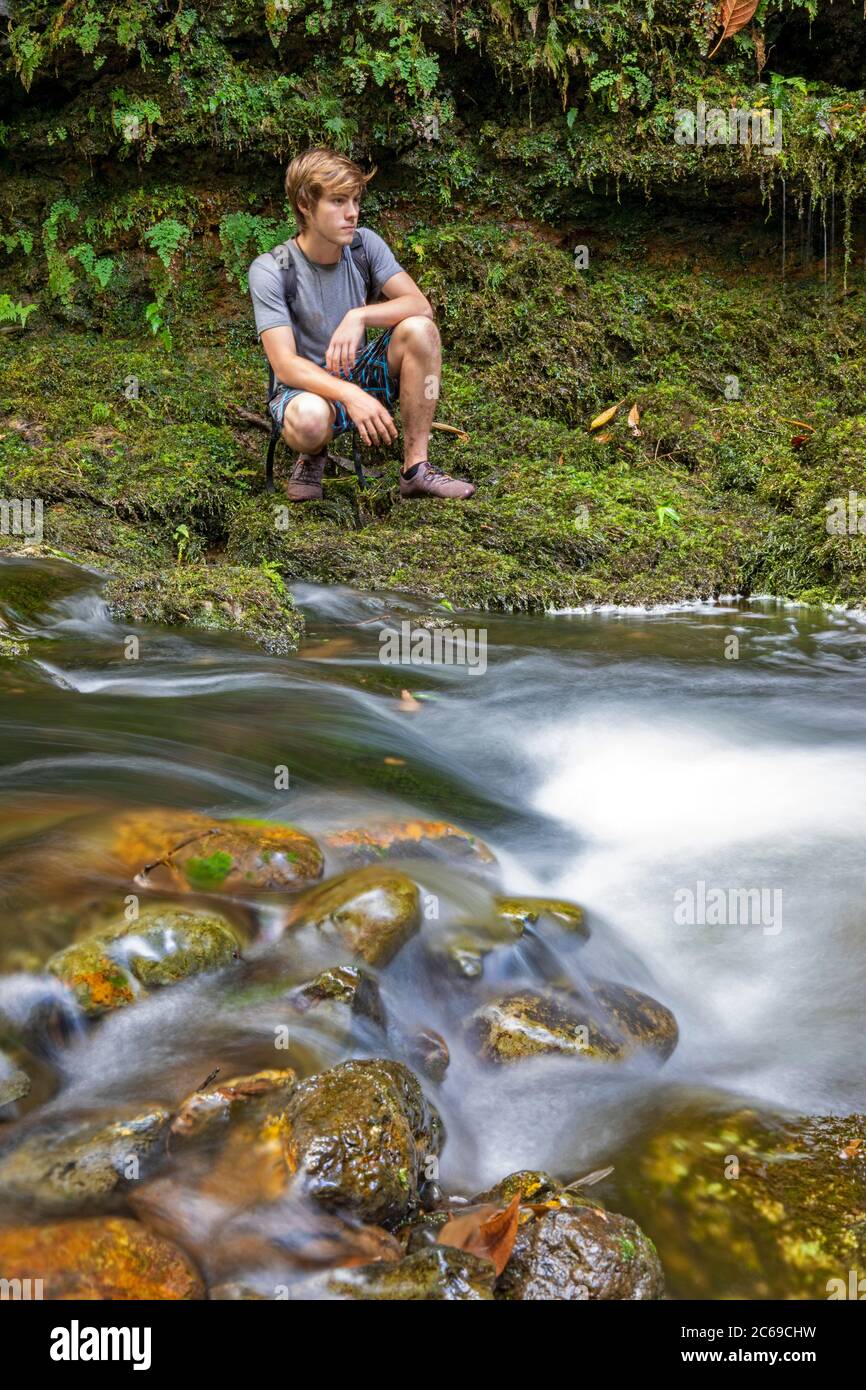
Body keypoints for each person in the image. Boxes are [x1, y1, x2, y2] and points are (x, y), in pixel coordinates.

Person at [247, 147, 476, 502]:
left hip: (357, 367)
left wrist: (360, 315)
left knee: (420, 330)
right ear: (306, 205)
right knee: (309, 418)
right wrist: (349, 395)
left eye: (354, 200)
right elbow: (285, 365)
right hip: (302, 392)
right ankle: (312, 455)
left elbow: (420, 306)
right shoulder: (272, 268)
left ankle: (416, 469)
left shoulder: (363, 246)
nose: (351, 213)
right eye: (338, 201)